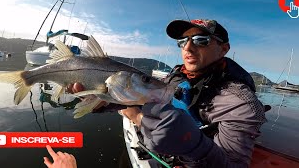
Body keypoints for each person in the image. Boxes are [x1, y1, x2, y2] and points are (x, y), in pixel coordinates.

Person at [61, 19, 267, 167]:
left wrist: (191, 144)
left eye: (201, 40)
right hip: (148, 148)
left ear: (224, 48)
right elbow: (134, 97)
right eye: (182, 42)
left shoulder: (240, 104)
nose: (188, 47)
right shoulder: (175, 77)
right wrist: (100, 101)